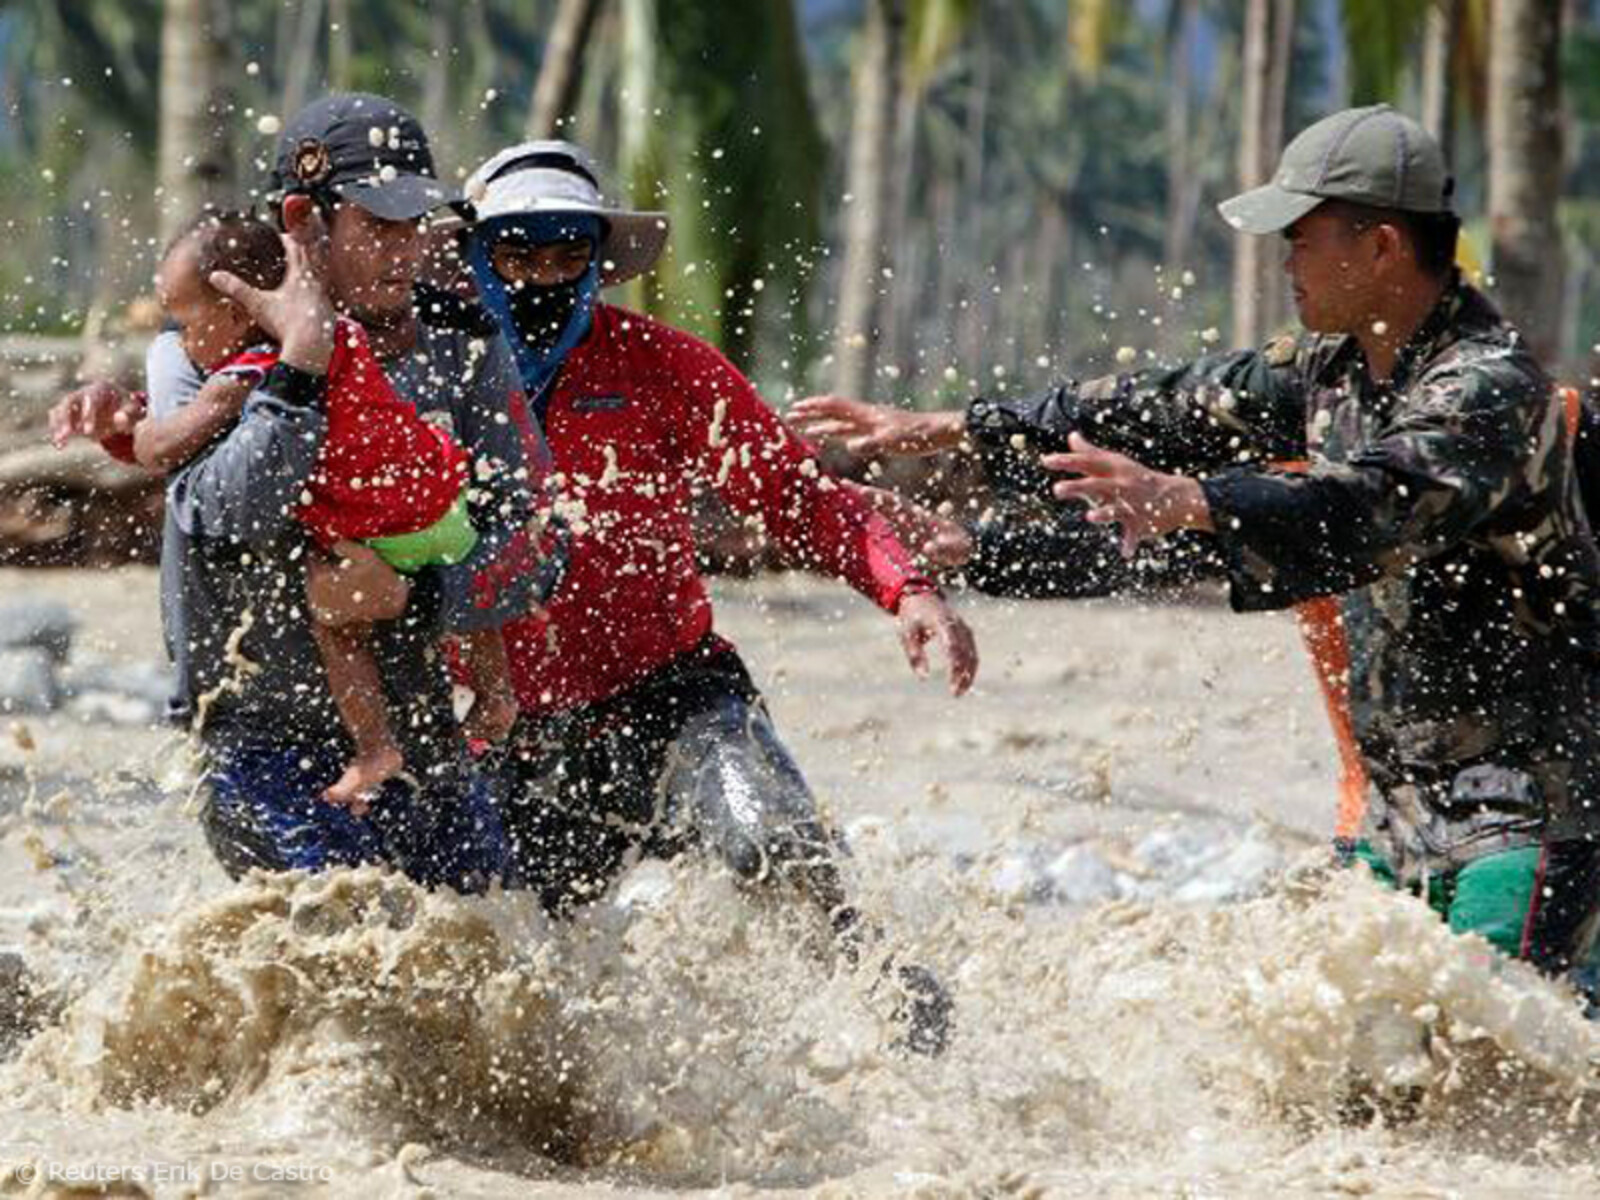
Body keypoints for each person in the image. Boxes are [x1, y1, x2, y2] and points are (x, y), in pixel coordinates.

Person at [794, 105, 1600, 1002]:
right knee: (1351, 1083)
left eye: (1301, 236)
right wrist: (954, 434)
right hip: (1392, 815)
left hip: (1534, 813)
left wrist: (1192, 500)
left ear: (1380, 248)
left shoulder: (1489, 390)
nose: (1284, 259)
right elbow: (1165, 406)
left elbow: (1364, 509)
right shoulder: (1330, 371)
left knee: (1509, 1079)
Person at [450, 141, 978, 1052]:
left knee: (771, 846)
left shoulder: (665, 367)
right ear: (475, 259)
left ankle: (897, 1012)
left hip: (672, 696)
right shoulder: (428, 379)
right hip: (500, 724)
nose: (543, 278)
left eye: (565, 256)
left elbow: (798, 497)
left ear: (598, 263)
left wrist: (908, 588)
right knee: (503, 968)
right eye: (517, 256)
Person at [53, 94, 549, 893]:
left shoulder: (463, 347)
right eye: (378, 225)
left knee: (489, 949)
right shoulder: (200, 350)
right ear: (304, 221)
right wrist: (301, 363)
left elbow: (533, 535)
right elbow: (218, 510)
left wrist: (415, 598)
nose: (406, 251)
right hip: (262, 742)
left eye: (417, 225)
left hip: (419, 729)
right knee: (333, 939)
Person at [136, 209, 521, 808]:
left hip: (370, 527)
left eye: (186, 322)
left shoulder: (264, 365)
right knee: (462, 562)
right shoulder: (351, 332)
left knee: (339, 624)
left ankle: (374, 749)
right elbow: (216, 503)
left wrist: (132, 434)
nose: (181, 340)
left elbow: (166, 450)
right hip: (438, 493)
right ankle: (497, 694)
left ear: (238, 313)